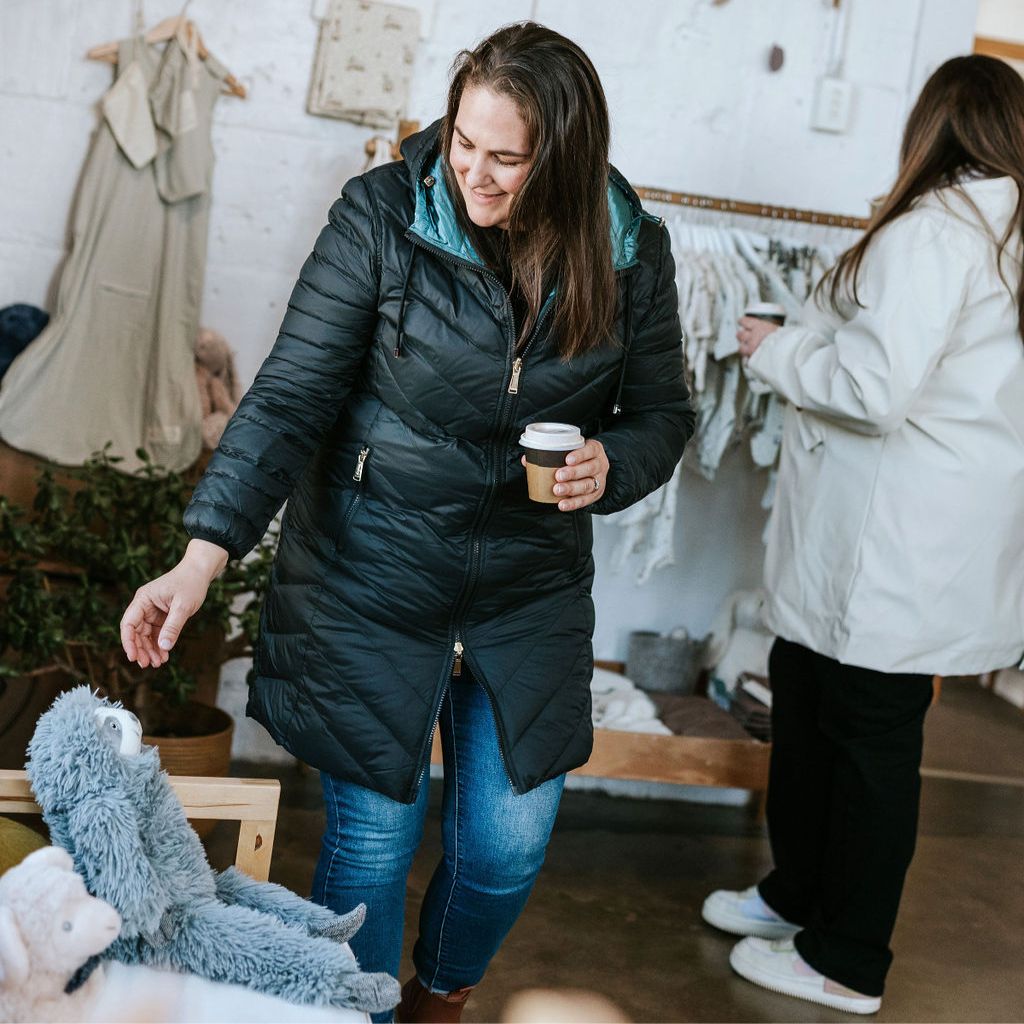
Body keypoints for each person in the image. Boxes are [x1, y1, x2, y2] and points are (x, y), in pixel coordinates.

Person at [120, 21, 693, 1024]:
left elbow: (662, 414)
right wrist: (201, 556)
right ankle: (364, 1013)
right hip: (364, 578)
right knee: (374, 847)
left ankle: (441, 996)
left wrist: (613, 465)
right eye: (463, 141)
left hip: (526, 594)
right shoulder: (381, 216)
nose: (473, 170)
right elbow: (289, 398)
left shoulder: (629, 251)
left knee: (507, 848)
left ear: (562, 157)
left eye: (506, 157)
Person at [701, 55, 1024, 1015]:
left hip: (891, 543)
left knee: (866, 743)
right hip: (913, 535)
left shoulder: (938, 231)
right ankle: (798, 896)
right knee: (809, 704)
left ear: (936, 129)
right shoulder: (1005, 231)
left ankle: (846, 957)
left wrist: (777, 348)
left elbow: (875, 388)